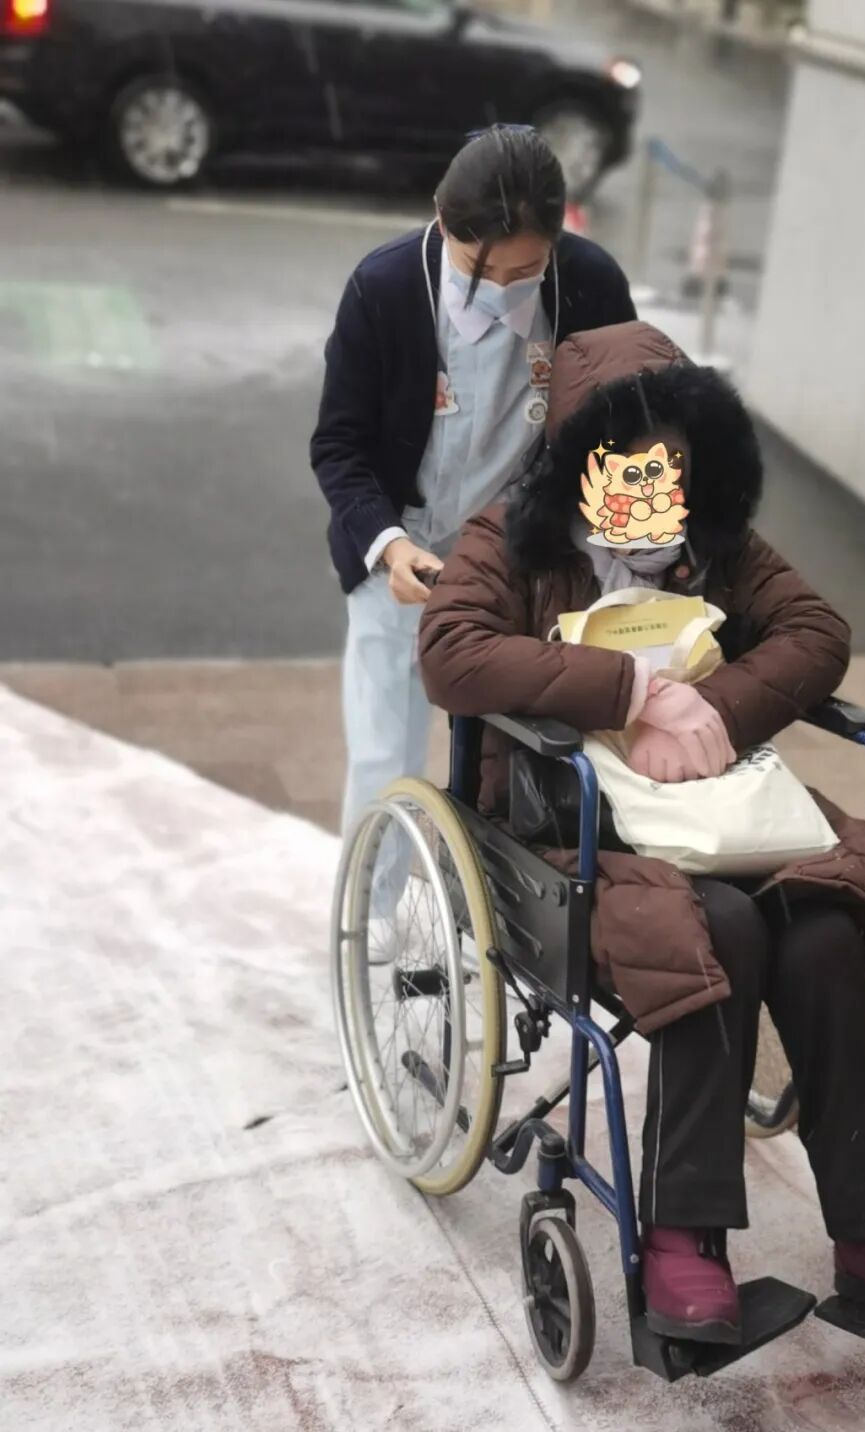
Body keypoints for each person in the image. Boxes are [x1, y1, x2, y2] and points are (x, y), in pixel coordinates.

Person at [417, 319, 865, 1342]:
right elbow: (451, 651)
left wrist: (714, 709)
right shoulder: (513, 535)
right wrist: (631, 691)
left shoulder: (711, 541)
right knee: (714, 929)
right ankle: (685, 1239)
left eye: (671, 456)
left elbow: (817, 630)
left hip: (713, 811)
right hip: (571, 823)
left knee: (823, 932)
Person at [310, 126, 636, 959]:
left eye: (524, 272)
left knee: (517, 751)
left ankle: (507, 923)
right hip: (406, 549)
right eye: (479, 268)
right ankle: (370, 919)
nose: (500, 288)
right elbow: (339, 446)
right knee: (384, 751)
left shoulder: (589, 284)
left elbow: (623, 424)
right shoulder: (386, 288)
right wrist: (388, 547)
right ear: (441, 219)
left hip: (522, 557)